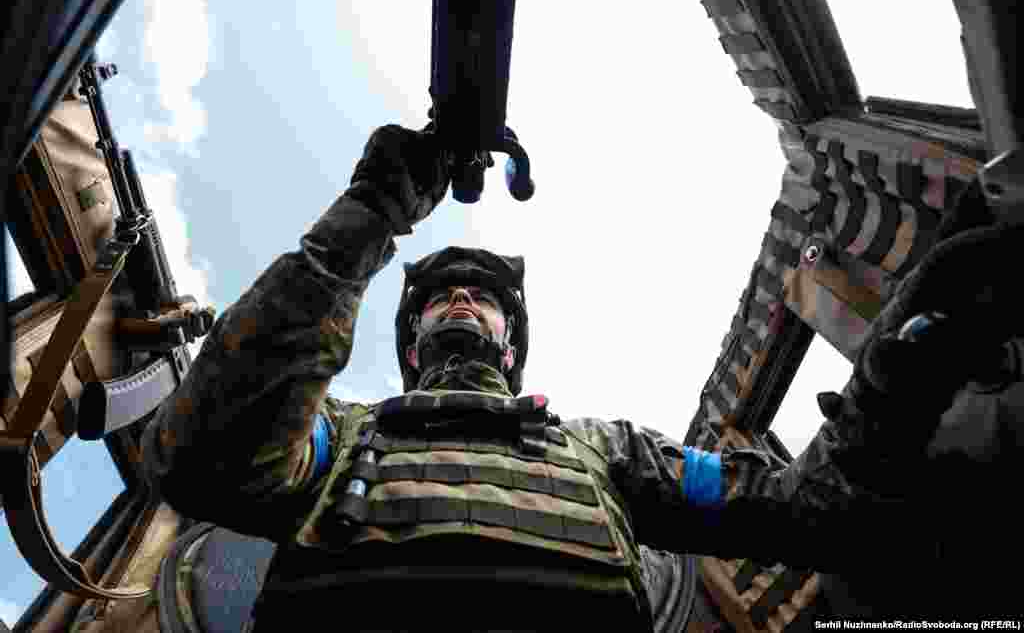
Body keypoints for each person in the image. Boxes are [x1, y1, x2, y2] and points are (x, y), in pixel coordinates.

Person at [140, 125, 1017, 630]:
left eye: (479, 298)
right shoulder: (338, 432)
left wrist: (897, 372)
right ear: (409, 347)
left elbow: (807, 511)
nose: (458, 303)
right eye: (440, 296)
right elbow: (195, 454)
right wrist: (366, 218)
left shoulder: (605, 451)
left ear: (511, 344)